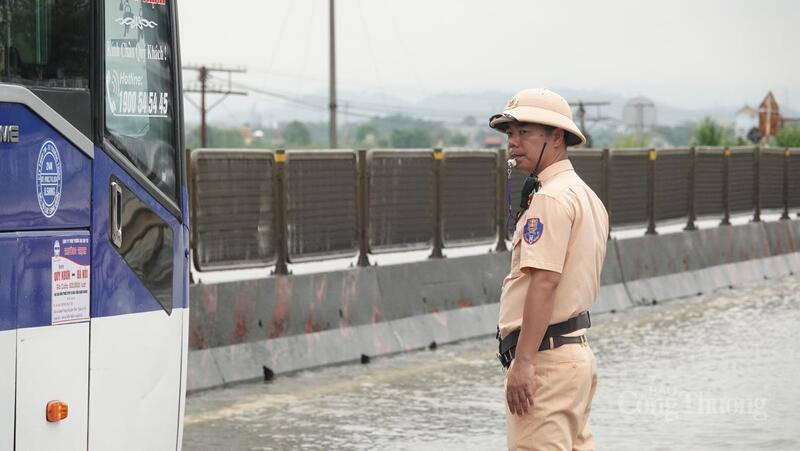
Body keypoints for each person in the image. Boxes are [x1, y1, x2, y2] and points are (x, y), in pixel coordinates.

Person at [489, 88, 609, 451]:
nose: (514, 141)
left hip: (547, 362)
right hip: (574, 358)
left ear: (557, 137)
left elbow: (544, 283)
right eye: (510, 133)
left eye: (525, 132)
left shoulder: (549, 198)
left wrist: (523, 363)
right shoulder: (584, 195)